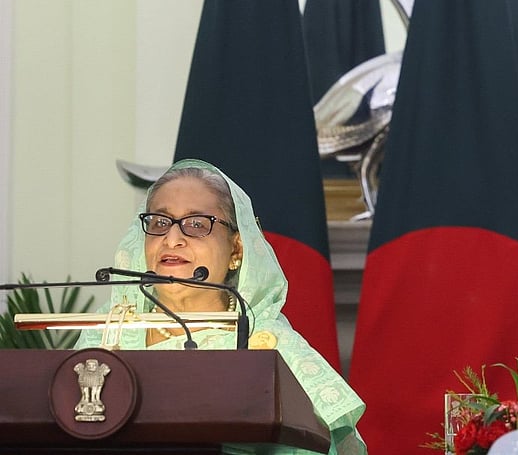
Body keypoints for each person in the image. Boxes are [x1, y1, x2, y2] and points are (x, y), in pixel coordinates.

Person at [77, 159, 366, 455]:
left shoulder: (268, 346)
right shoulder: (108, 331)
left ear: (236, 250)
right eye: (159, 223)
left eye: (197, 225)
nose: (172, 239)